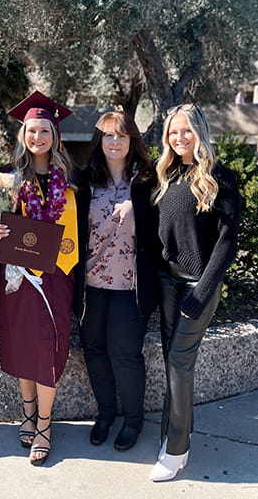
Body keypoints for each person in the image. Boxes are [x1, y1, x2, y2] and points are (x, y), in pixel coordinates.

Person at [149, 103, 241, 482]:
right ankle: (174, 435)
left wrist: (202, 291)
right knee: (174, 361)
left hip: (196, 286)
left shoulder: (220, 178)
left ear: (199, 131)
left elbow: (227, 242)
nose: (179, 137)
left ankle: (176, 451)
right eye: (173, 132)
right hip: (167, 283)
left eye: (186, 130)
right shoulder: (168, 176)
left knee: (179, 362)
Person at [0, 91, 79, 467]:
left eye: (45, 130)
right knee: (22, 343)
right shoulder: (8, 178)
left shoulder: (72, 180)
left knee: (49, 347)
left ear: (55, 136)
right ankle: (27, 411)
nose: (37, 137)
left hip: (57, 276)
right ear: (23, 135)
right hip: (18, 277)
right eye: (31, 130)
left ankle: (44, 424)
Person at [74, 110, 159, 452]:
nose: (114, 141)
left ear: (132, 141)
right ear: (99, 140)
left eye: (121, 135)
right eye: (108, 135)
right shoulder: (84, 182)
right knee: (94, 351)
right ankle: (106, 414)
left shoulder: (147, 181)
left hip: (130, 287)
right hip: (91, 285)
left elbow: (161, 232)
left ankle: (134, 420)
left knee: (125, 354)